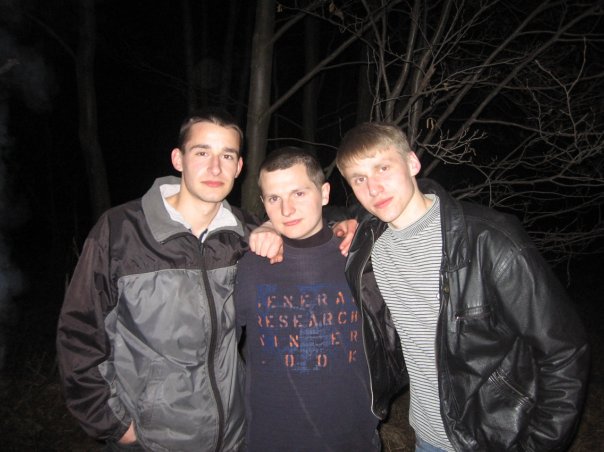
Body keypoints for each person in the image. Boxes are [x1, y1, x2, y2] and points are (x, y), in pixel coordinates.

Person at [336, 122, 590, 451]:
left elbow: (564, 352)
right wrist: (275, 227)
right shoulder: (370, 246)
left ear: (412, 163)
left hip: (496, 439)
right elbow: (307, 215)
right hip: (426, 437)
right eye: (359, 179)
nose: (374, 188)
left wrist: (538, 445)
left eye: (383, 168)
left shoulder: (490, 239)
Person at [56, 109, 284, 451]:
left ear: (239, 167)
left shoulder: (245, 235)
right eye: (202, 153)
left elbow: (309, 230)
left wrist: (345, 226)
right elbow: (79, 332)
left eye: (227, 156)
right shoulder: (121, 231)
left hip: (233, 436)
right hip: (151, 439)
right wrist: (113, 423)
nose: (215, 168)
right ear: (178, 159)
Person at [234, 147, 380, 451]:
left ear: (324, 194)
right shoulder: (249, 265)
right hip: (271, 441)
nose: (286, 210)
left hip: (352, 438)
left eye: (299, 193)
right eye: (274, 198)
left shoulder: (360, 257)